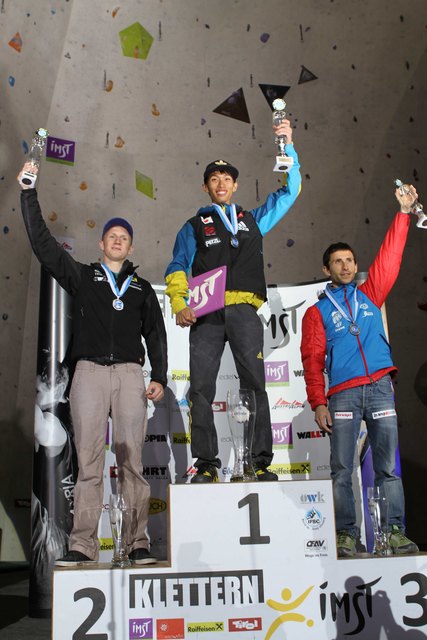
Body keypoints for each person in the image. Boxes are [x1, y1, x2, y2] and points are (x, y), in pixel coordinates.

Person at [18, 162, 168, 566]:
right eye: (112, 236)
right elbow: (45, 248)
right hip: (88, 375)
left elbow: (156, 333)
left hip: (130, 375)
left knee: (132, 462)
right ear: (101, 244)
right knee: (88, 463)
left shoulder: (141, 288)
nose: (118, 241)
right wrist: (28, 193)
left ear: (131, 248)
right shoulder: (84, 277)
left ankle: (137, 542)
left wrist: (161, 377)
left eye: (125, 238)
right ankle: (83, 545)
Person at [165, 120, 301, 483]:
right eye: (214, 179)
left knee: (255, 384)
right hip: (206, 314)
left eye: (227, 178)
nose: (221, 183)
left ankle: (259, 462)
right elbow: (177, 265)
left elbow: (290, 191)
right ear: (206, 187)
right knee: (200, 389)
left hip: (243, 310)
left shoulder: (254, 221)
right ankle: (207, 463)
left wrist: (286, 145)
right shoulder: (193, 226)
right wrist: (179, 302)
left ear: (236, 185)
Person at [301, 182, 419, 557]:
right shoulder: (316, 313)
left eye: (350, 260)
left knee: (388, 468)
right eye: (338, 261)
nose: (346, 265)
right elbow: (312, 361)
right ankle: (347, 534)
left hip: (381, 386)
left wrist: (402, 214)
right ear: (326, 269)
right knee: (340, 470)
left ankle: (396, 532)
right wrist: (318, 402)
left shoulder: (371, 295)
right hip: (344, 394)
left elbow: (391, 257)